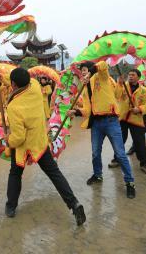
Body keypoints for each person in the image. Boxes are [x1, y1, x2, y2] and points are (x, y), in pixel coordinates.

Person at [5, 67, 86, 226]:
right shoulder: (35, 86)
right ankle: (74, 203)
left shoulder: (14, 107)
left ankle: (11, 206)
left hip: (24, 147)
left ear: (13, 84)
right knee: (54, 173)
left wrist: (9, 140)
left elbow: (19, 137)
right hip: (40, 142)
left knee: (15, 173)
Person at [69, 61, 136, 199]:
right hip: (96, 124)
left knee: (120, 153)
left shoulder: (102, 76)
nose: (83, 72)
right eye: (81, 70)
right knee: (95, 153)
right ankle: (98, 175)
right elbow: (88, 110)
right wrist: (76, 112)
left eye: (85, 69)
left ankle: (130, 183)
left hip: (111, 120)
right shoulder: (85, 87)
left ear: (91, 70)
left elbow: (104, 65)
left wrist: (92, 71)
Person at [112, 69, 146, 175]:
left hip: (136, 119)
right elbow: (116, 95)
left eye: (133, 75)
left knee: (139, 142)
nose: (130, 76)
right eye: (129, 74)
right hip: (123, 118)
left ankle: (144, 163)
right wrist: (119, 84)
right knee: (120, 140)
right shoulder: (123, 86)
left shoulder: (144, 90)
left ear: (138, 77)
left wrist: (139, 109)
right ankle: (117, 159)